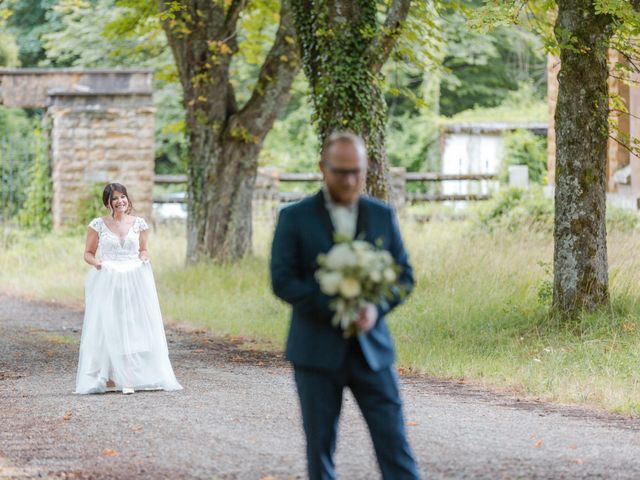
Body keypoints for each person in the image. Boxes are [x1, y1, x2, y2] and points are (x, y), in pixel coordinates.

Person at [270, 132, 420, 479]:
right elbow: (283, 280)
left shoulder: (381, 214)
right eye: (341, 172)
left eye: (357, 171)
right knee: (320, 450)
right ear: (323, 168)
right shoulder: (295, 217)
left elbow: (404, 276)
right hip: (316, 352)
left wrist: (376, 308)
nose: (350, 180)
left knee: (395, 446)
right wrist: (333, 306)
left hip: (373, 352)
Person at [75, 183, 182, 395]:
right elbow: (87, 253)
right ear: (108, 203)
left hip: (133, 280)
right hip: (109, 279)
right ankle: (107, 376)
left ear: (127, 199)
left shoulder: (139, 224)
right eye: (115, 198)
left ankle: (131, 377)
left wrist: (144, 257)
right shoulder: (98, 225)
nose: (120, 201)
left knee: (133, 326)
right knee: (109, 326)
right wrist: (96, 263)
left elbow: (143, 250)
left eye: (122, 197)